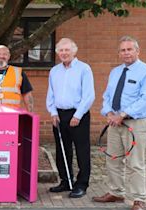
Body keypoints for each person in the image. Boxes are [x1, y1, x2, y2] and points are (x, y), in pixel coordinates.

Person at [93, 36, 146, 210]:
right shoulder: (115, 72)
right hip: (115, 122)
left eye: (129, 49)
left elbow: (145, 99)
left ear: (137, 51)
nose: (126, 53)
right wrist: (109, 113)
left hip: (136, 122)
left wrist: (122, 114)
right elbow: (107, 96)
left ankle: (139, 198)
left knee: (135, 162)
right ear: (119, 53)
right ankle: (116, 192)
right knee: (113, 158)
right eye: (123, 50)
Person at [46, 38, 95, 198]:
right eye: (61, 50)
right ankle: (66, 180)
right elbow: (50, 94)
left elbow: (89, 95)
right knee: (62, 149)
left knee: (81, 150)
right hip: (59, 116)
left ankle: (81, 184)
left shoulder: (84, 69)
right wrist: (52, 112)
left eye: (67, 50)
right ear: (57, 53)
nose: (64, 53)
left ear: (74, 51)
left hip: (78, 114)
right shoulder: (54, 71)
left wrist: (78, 115)